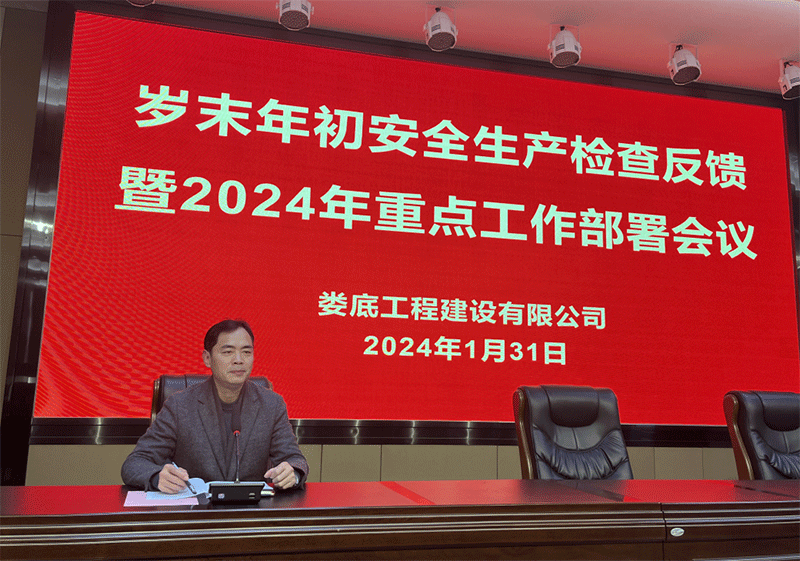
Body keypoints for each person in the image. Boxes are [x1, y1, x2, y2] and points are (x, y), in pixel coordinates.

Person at [122, 319, 308, 492]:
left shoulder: (271, 404)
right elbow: (135, 463)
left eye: (246, 352)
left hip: (251, 510)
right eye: (228, 352)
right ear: (207, 358)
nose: (239, 360)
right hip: (196, 510)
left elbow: (295, 459)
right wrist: (157, 477)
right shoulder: (179, 406)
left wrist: (293, 472)